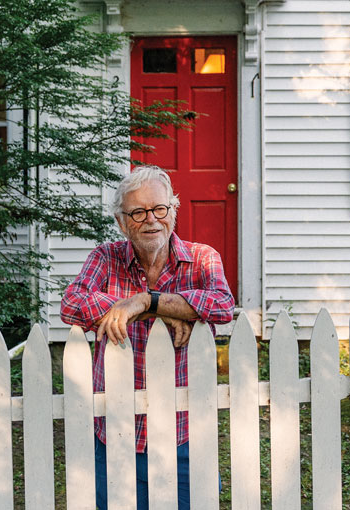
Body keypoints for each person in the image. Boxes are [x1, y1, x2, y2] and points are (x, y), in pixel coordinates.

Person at [61, 164, 234, 510]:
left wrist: (144, 301)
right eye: (138, 212)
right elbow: (72, 304)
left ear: (173, 211)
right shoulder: (105, 258)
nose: (151, 220)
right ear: (122, 222)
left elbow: (222, 305)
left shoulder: (202, 259)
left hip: (184, 436)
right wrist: (166, 310)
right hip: (114, 436)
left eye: (159, 209)